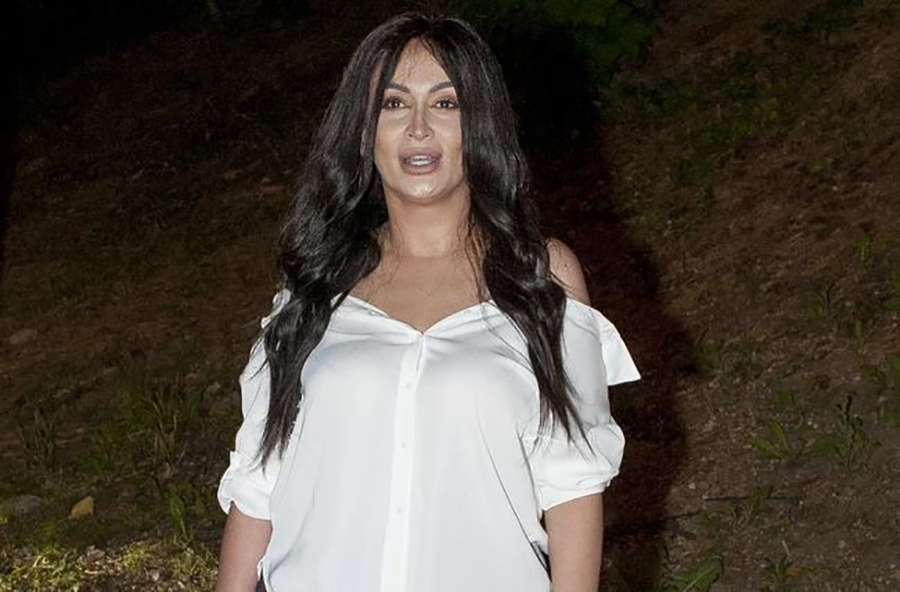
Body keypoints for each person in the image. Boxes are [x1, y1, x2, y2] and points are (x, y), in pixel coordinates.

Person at [215, 12, 640, 592]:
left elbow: (573, 488)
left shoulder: (540, 278)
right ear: (365, 131)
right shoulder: (318, 284)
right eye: (394, 104)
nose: (418, 128)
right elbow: (259, 482)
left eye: (445, 103)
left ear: (480, 126)